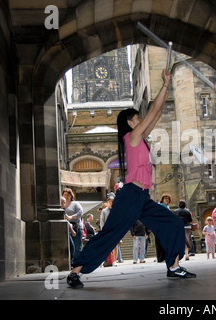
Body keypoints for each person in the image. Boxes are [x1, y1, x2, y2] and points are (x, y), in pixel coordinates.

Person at [67, 70, 196, 289]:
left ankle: (173, 267)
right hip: (130, 196)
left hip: (143, 198)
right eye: (136, 117)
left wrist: (166, 87)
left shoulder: (141, 138)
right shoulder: (132, 136)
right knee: (111, 234)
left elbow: (156, 114)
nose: (140, 120)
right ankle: (75, 271)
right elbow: (152, 111)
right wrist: (164, 85)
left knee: (173, 223)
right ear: (129, 122)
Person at [62, 188, 84, 263]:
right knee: (70, 247)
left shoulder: (75, 203)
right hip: (66, 228)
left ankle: (77, 264)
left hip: (76, 227)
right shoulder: (62, 204)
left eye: (68, 195)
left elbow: (80, 212)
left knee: (76, 247)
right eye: (65, 194)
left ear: (71, 196)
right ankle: (71, 263)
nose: (66, 196)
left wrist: (71, 217)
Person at [155, 194, 172, 263]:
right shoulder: (160, 206)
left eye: (168, 199)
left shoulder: (167, 207)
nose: (167, 200)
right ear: (162, 199)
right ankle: (160, 258)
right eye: (165, 198)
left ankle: (164, 257)